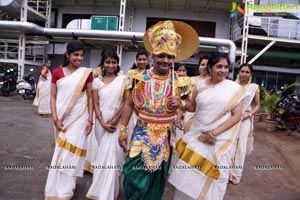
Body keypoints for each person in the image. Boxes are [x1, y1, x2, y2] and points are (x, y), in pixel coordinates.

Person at [118, 20, 199, 200]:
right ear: (152, 55)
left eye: (170, 57)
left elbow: (193, 106)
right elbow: (129, 104)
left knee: (156, 181)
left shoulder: (181, 81)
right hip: (141, 133)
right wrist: (122, 129)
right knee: (132, 176)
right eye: (161, 55)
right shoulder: (137, 77)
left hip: (165, 138)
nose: (165, 60)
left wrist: (181, 103)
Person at [168, 52, 245, 200]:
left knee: (217, 176)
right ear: (210, 67)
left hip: (219, 141)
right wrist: (181, 103)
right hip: (198, 136)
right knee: (189, 174)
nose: (223, 70)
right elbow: (193, 107)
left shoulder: (234, 89)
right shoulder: (200, 85)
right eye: (219, 66)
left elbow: (237, 115)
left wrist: (214, 133)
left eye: (226, 67)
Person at [44, 40, 94, 199]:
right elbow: (52, 97)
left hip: (79, 118)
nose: (79, 58)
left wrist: (90, 120)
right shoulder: (57, 72)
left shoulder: (86, 73)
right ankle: (54, 188)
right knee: (60, 152)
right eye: (75, 55)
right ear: (67, 55)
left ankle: (67, 188)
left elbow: (90, 98)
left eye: (81, 55)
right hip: (61, 118)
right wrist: (55, 118)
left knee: (70, 153)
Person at [86, 50, 127, 199]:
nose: (111, 65)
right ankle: (99, 190)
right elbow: (95, 103)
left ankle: (108, 193)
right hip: (100, 124)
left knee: (112, 157)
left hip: (116, 124)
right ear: (103, 64)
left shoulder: (123, 80)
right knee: (101, 155)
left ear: (117, 64)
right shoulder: (96, 82)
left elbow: (126, 102)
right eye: (108, 62)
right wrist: (102, 122)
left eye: (114, 62)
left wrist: (115, 120)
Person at [229, 63, 260, 184]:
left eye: (247, 72)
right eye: (242, 71)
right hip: (231, 118)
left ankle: (236, 175)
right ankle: (226, 173)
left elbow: (257, 105)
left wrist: (249, 114)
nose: (244, 74)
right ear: (238, 72)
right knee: (229, 145)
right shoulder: (232, 86)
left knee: (241, 146)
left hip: (245, 119)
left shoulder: (254, 87)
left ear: (251, 74)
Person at [183, 55, 210, 133]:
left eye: (207, 65)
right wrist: (179, 115)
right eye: (202, 65)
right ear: (199, 66)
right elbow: (184, 98)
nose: (205, 67)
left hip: (207, 116)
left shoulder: (214, 82)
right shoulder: (190, 80)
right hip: (190, 114)